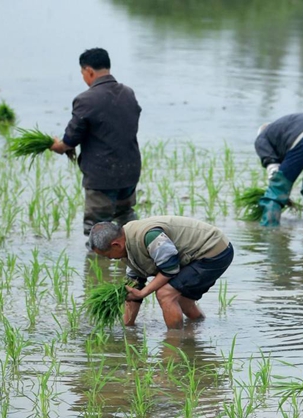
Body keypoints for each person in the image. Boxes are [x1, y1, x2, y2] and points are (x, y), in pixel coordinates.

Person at [50, 48, 142, 234]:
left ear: (89, 71)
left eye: (82, 73)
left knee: (97, 231)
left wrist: (55, 145)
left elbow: (69, 141)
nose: (84, 77)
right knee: (127, 222)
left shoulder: (86, 99)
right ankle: (135, 257)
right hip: (130, 172)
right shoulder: (128, 93)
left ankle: (98, 262)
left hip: (102, 177)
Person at [88, 216, 234, 329]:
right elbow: (134, 285)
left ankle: (174, 342)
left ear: (116, 244)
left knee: (166, 294)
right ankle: (196, 328)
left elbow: (170, 269)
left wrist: (143, 293)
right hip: (193, 256)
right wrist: (128, 327)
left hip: (213, 250)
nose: (110, 259)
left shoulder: (150, 236)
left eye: (107, 255)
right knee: (182, 298)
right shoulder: (126, 245)